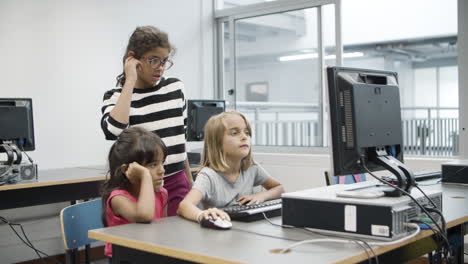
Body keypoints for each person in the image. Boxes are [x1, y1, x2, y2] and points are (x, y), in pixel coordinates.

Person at [100, 26, 192, 216]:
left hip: (177, 181)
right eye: (153, 60)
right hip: (139, 187)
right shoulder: (117, 96)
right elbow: (113, 131)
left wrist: (191, 186)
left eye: (165, 61)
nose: (160, 67)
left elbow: (181, 141)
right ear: (133, 59)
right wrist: (130, 79)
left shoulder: (175, 88)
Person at [177, 111, 284, 223]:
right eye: (234, 133)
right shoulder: (208, 176)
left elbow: (279, 188)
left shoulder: (251, 168)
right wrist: (201, 215)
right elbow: (184, 206)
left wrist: (262, 196)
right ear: (217, 143)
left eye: (247, 133)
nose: (244, 137)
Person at [100, 127, 168, 258]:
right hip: (125, 258)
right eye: (153, 165)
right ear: (128, 170)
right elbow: (145, 215)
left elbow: (162, 230)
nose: (162, 170)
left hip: (150, 254)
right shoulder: (118, 198)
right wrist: (146, 176)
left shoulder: (161, 193)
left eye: (162, 163)